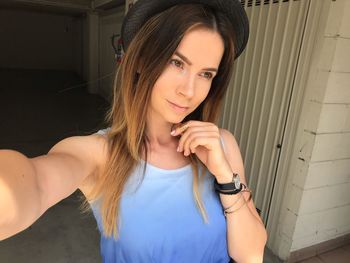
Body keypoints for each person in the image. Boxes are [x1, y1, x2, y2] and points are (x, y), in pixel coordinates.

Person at [0, 0, 268, 262]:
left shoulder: (222, 145)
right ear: (140, 60)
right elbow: (34, 182)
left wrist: (224, 177)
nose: (189, 91)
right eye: (177, 63)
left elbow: (251, 255)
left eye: (206, 74)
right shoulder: (101, 155)